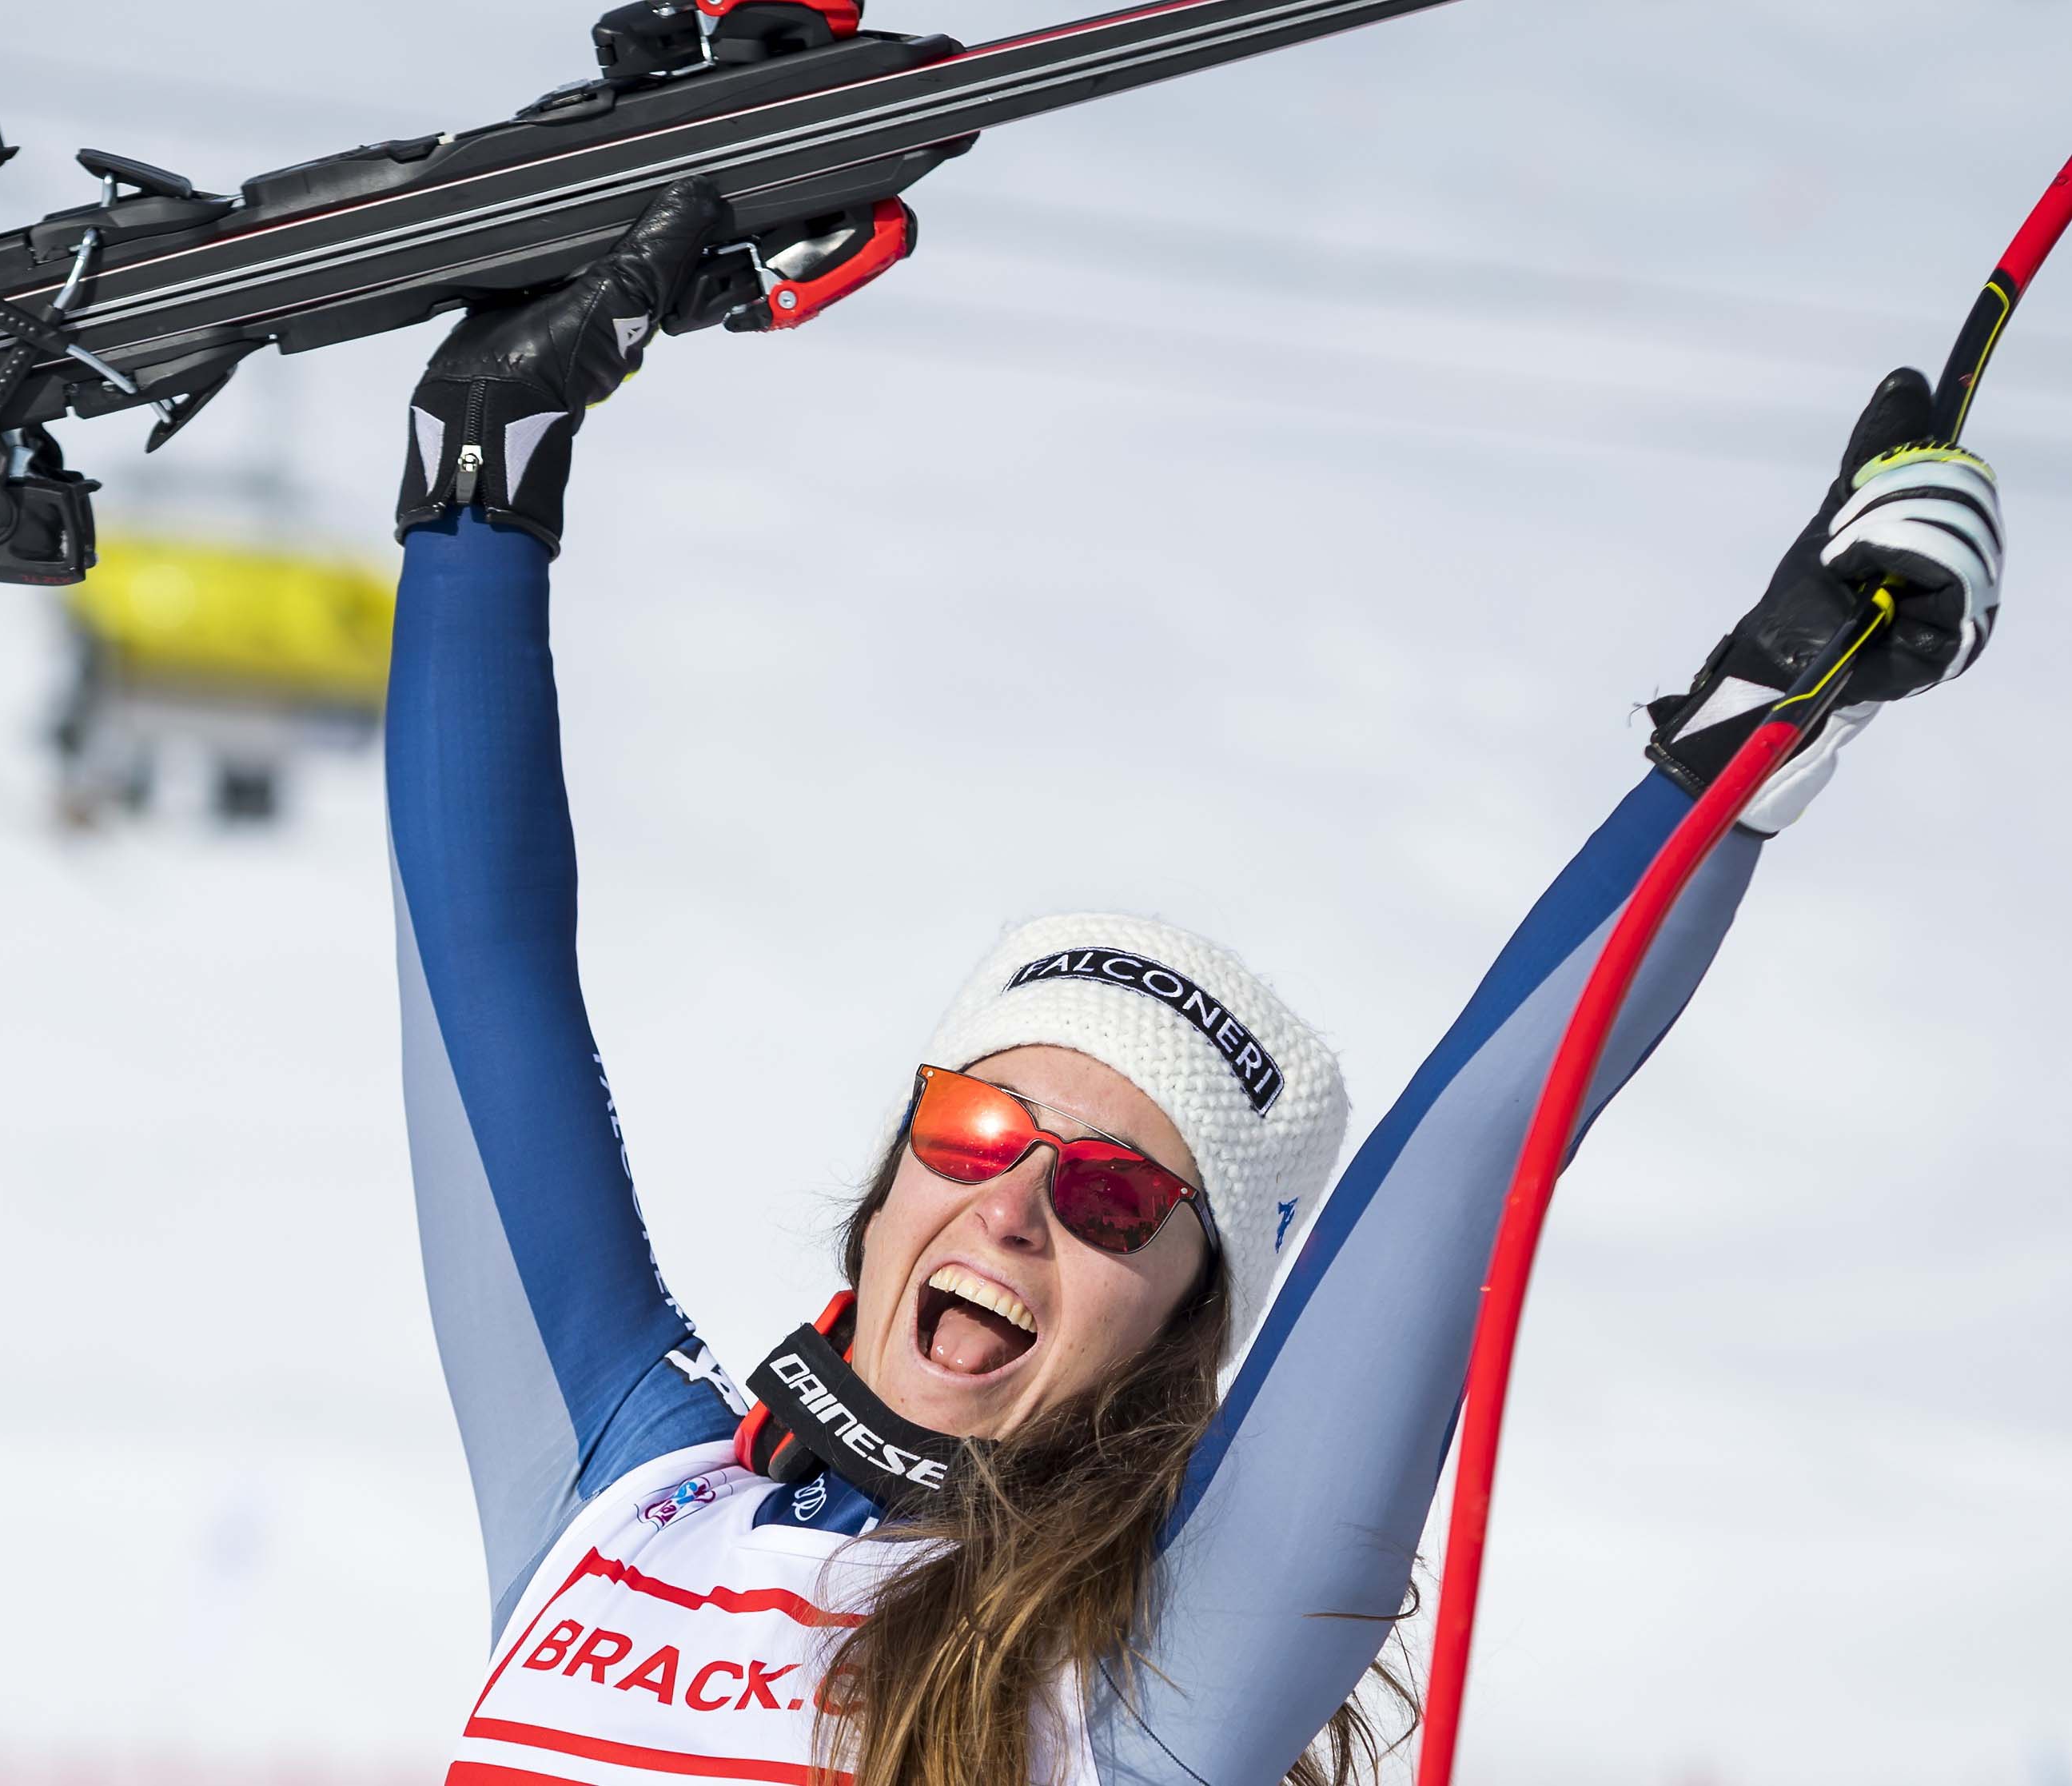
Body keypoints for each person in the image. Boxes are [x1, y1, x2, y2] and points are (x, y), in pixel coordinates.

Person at [381, 181, 2003, 1786]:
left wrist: (1744, 741)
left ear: (1178, 1342)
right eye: (970, 1130)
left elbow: (1464, 1161)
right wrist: (484, 470)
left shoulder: (1151, 1682)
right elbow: (484, 978)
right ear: (883, 1195)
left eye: (1107, 1195)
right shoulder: (622, 1485)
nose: (1013, 1208)